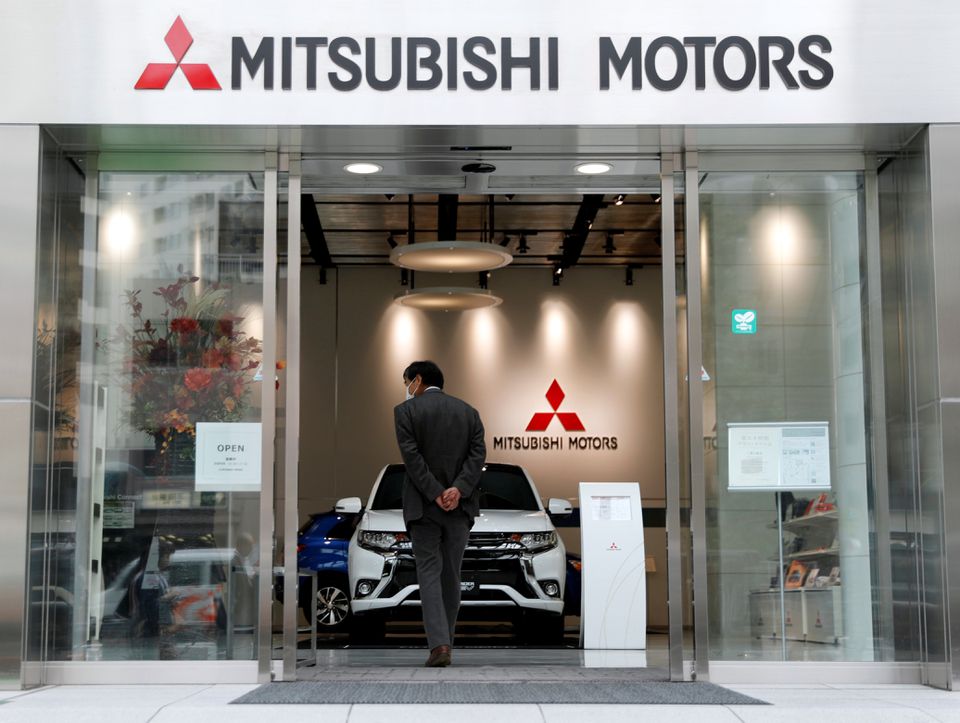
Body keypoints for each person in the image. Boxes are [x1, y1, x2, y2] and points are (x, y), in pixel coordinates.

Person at [394, 360, 486, 667]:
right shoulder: (469, 412)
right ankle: (446, 642)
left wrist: (435, 492)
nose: (407, 388)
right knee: (452, 575)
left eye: (407, 381)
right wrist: (457, 490)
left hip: (423, 507)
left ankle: (440, 646)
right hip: (459, 508)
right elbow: (477, 457)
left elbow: (412, 459)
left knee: (430, 575)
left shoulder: (405, 412)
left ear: (417, 380)